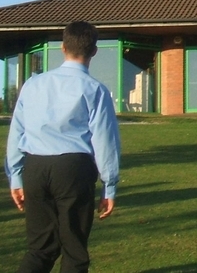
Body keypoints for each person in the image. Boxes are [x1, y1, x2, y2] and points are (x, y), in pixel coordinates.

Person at [4, 21, 121, 273]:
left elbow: (17, 131)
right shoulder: (95, 90)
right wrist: (109, 185)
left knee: (40, 249)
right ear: (94, 51)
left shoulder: (33, 84)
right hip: (73, 168)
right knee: (74, 250)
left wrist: (15, 176)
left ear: (63, 48)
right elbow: (104, 140)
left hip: (36, 165)